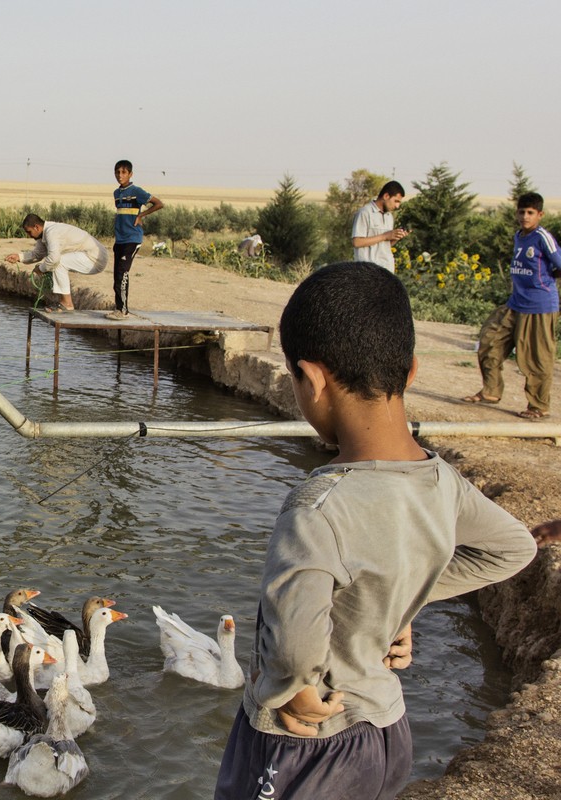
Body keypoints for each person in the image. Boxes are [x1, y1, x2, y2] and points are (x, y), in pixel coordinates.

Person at [215, 262, 535, 800]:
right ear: (410, 371)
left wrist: (286, 690)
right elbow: (513, 547)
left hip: (307, 744)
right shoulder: (443, 484)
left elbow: (293, 651)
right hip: (387, 733)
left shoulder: (316, 507)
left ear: (311, 379)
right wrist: (396, 598)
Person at [462, 192, 561, 419]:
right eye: (521, 212)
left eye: (530, 213)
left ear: (540, 214)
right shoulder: (519, 236)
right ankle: (491, 390)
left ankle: (538, 406)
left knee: (536, 357)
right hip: (516, 302)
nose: (525, 217)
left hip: (539, 305)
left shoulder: (542, 237)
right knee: (490, 340)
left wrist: (547, 278)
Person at [5, 213, 108, 312]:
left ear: (36, 227)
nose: (28, 235)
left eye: (29, 232)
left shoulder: (51, 232)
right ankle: (64, 302)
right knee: (56, 262)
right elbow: (37, 254)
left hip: (95, 258)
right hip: (89, 256)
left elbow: (54, 259)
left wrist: (41, 269)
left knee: (58, 262)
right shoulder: (44, 234)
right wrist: (19, 257)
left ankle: (67, 304)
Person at [107, 160, 164, 319]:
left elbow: (159, 204)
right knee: (117, 275)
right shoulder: (116, 193)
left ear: (130, 174)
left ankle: (123, 311)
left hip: (132, 238)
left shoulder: (136, 191)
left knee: (122, 272)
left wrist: (141, 215)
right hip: (120, 240)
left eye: (124, 172)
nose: (120, 175)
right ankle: (119, 308)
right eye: (117, 172)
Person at [351, 181, 408, 271]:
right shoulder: (365, 213)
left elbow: (385, 245)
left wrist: (395, 237)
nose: (397, 206)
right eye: (396, 201)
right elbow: (357, 242)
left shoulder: (389, 217)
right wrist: (385, 236)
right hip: (368, 271)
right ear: (386, 196)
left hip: (386, 270)